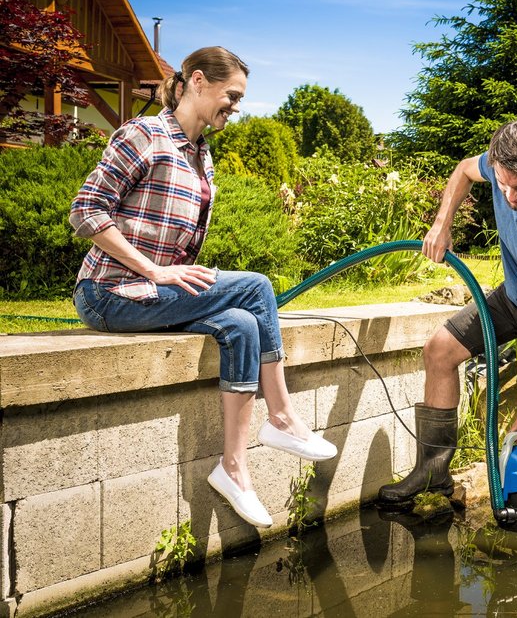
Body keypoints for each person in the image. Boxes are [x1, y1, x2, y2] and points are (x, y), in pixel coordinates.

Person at [69, 46, 336, 529]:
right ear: (195, 81)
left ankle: (233, 468)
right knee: (256, 287)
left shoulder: (201, 155)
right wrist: (153, 269)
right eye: (231, 95)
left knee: (239, 324)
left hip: (155, 296)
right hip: (109, 293)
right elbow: (86, 212)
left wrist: (170, 275)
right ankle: (282, 420)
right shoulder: (144, 135)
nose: (236, 105)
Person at [378, 120, 517, 531]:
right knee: (439, 351)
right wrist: (443, 224)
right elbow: (462, 169)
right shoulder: (499, 165)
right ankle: (434, 473)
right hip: (511, 297)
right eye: (503, 184)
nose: (510, 197)